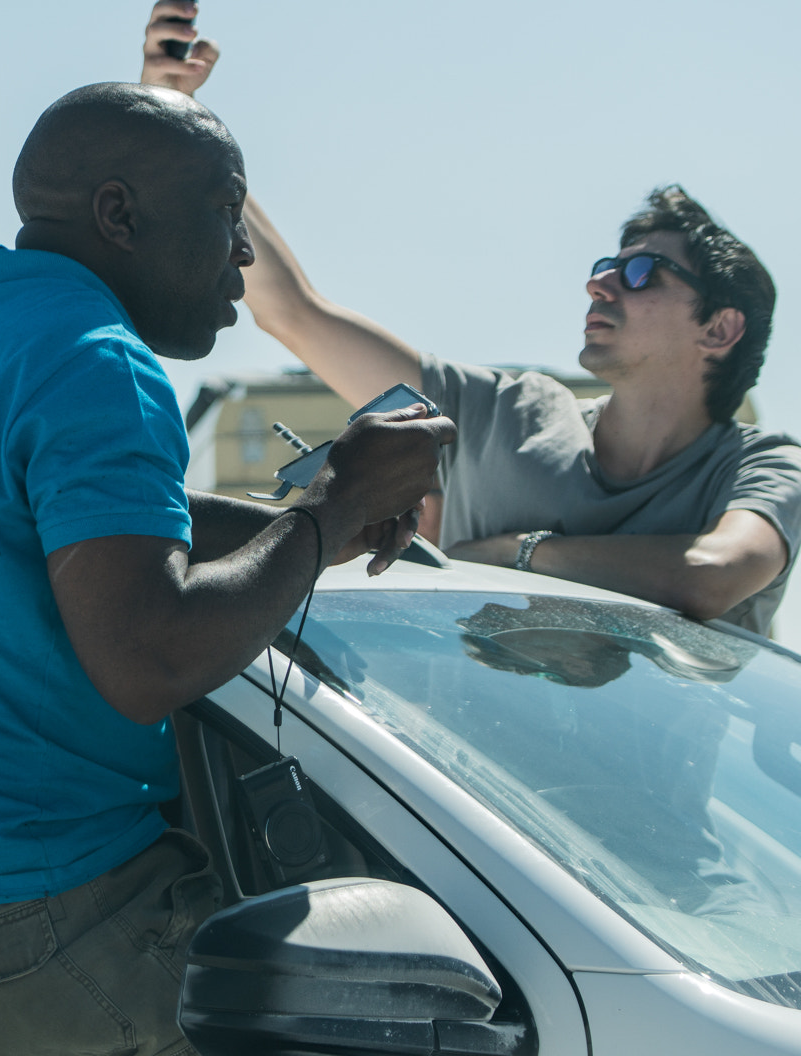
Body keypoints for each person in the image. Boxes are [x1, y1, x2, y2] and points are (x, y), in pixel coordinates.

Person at [0, 83, 453, 1056]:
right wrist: (332, 506)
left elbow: (91, 520)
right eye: (228, 211)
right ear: (119, 214)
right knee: (436, 1034)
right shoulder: (97, 360)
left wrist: (300, 533)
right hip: (27, 936)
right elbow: (150, 657)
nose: (244, 256)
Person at [137, 15, 801, 635]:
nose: (599, 282)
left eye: (641, 274)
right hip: (435, 766)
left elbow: (712, 573)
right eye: (606, 265)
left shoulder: (763, 466)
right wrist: (180, 127)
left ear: (719, 330)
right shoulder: (506, 412)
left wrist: (517, 552)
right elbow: (293, 312)